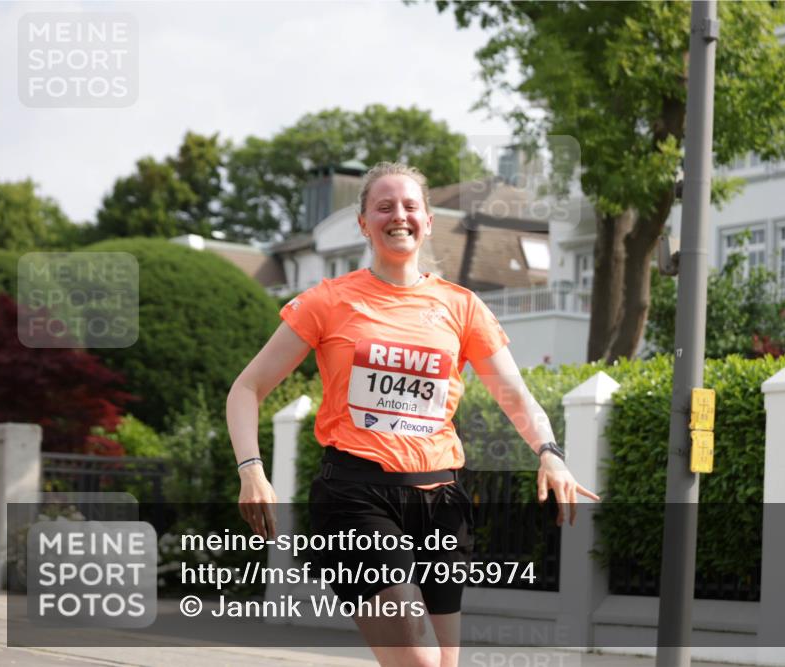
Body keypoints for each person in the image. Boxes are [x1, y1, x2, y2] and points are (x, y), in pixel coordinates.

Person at [227, 161, 598, 667]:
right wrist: (252, 472)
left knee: (443, 664)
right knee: (418, 659)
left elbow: (514, 392)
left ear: (427, 220)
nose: (397, 215)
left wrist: (550, 453)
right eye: (383, 207)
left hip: (442, 499)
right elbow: (246, 388)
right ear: (363, 223)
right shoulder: (327, 301)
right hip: (356, 496)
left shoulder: (461, 306)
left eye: (409, 206)